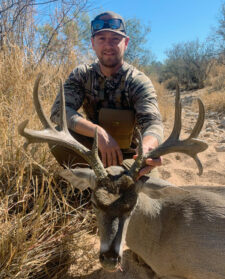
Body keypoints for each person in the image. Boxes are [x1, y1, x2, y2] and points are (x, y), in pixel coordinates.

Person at [50, 11, 164, 179]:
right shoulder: (82, 75)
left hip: (130, 158)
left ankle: (104, 181)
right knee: (57, 138)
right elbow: (59, 111)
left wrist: (147, 148)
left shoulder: (138, 81)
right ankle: (92, 186)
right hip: (94, 152)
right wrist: (99, 134)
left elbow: (154, 124)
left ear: (126, 43)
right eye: (101, 39)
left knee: (142, 190)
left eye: (115, 39)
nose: (108, 45)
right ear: (92, 43)